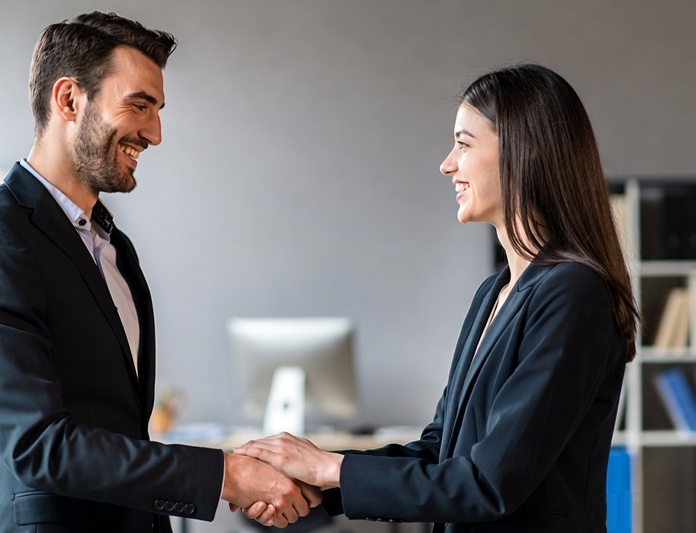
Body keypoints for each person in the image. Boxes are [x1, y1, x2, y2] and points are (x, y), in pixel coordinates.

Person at [0, 11, 319, 533]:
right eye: (139, 105)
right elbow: (38, 447)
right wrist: (225, 475)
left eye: (157, 110)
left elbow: (118, 428)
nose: (154, 133)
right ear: (68, 100)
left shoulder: (114, 246)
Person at [235, 63, 638, 533]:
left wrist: (329, 468)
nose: (447, 163)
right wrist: (313, 486)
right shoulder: (494, 293)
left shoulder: (573, 293)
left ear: (524, 152)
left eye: (464, 144)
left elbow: (489, 483)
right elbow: (440, 448)